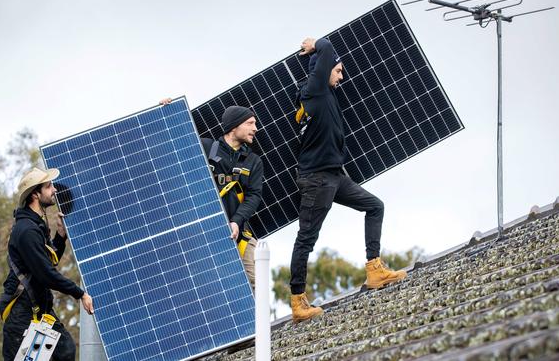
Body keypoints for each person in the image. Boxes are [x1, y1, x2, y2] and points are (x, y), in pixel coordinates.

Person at [289, 37, 407, 323]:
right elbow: (327, 47)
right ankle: (297, 301)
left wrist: (312, 58)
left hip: (333, 175)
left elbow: (324, 62)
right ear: (325, 69)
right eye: (338, 70)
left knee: (374, 206)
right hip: (317, 179)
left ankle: (374, 269)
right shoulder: (313, 91)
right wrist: (314, 45)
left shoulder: (324, 93)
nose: (342, 76)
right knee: (307, 238)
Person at [160, 98, 264, 290]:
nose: (256, 128)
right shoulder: (204, 148)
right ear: (233, 126)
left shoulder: (253, 162)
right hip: (200, 234)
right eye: (250, 123)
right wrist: (167, 112)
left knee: (260, 283)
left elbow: (254, 196)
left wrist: (236, 221)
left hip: (238, 232)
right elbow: (171, 143)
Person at [0, 167, 94, 361]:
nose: (55, 190)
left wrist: (60, 236)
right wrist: (80, 293)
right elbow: (46, 274)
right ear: (35, 194)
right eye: (49, 186)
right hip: (22, 315)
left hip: (39, 311)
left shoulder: (36, 225)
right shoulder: (26, 231)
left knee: (65, 350)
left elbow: (49, 261)